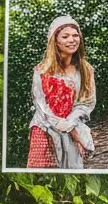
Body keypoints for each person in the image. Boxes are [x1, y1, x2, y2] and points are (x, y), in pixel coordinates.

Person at [26, 15, 96, 168]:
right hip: (45, 127)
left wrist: (70, 125)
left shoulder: (85, 70)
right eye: (65, 36)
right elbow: (41, 106)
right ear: (55, 41)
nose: (72, 40)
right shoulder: (42, 71)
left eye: (75, 35)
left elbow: (86, 102)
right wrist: (63, 126)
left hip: (72, 125)